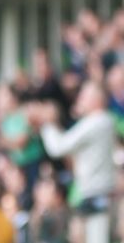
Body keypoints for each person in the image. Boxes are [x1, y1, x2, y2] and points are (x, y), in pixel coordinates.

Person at [31, 81, 116, 243]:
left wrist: (47, 122)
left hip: (96, 193)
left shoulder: (96, 121)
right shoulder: (102, 121)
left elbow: (58, 147)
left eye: (84, 95)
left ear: (97, 99)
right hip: (95, 193)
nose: (80, 99)